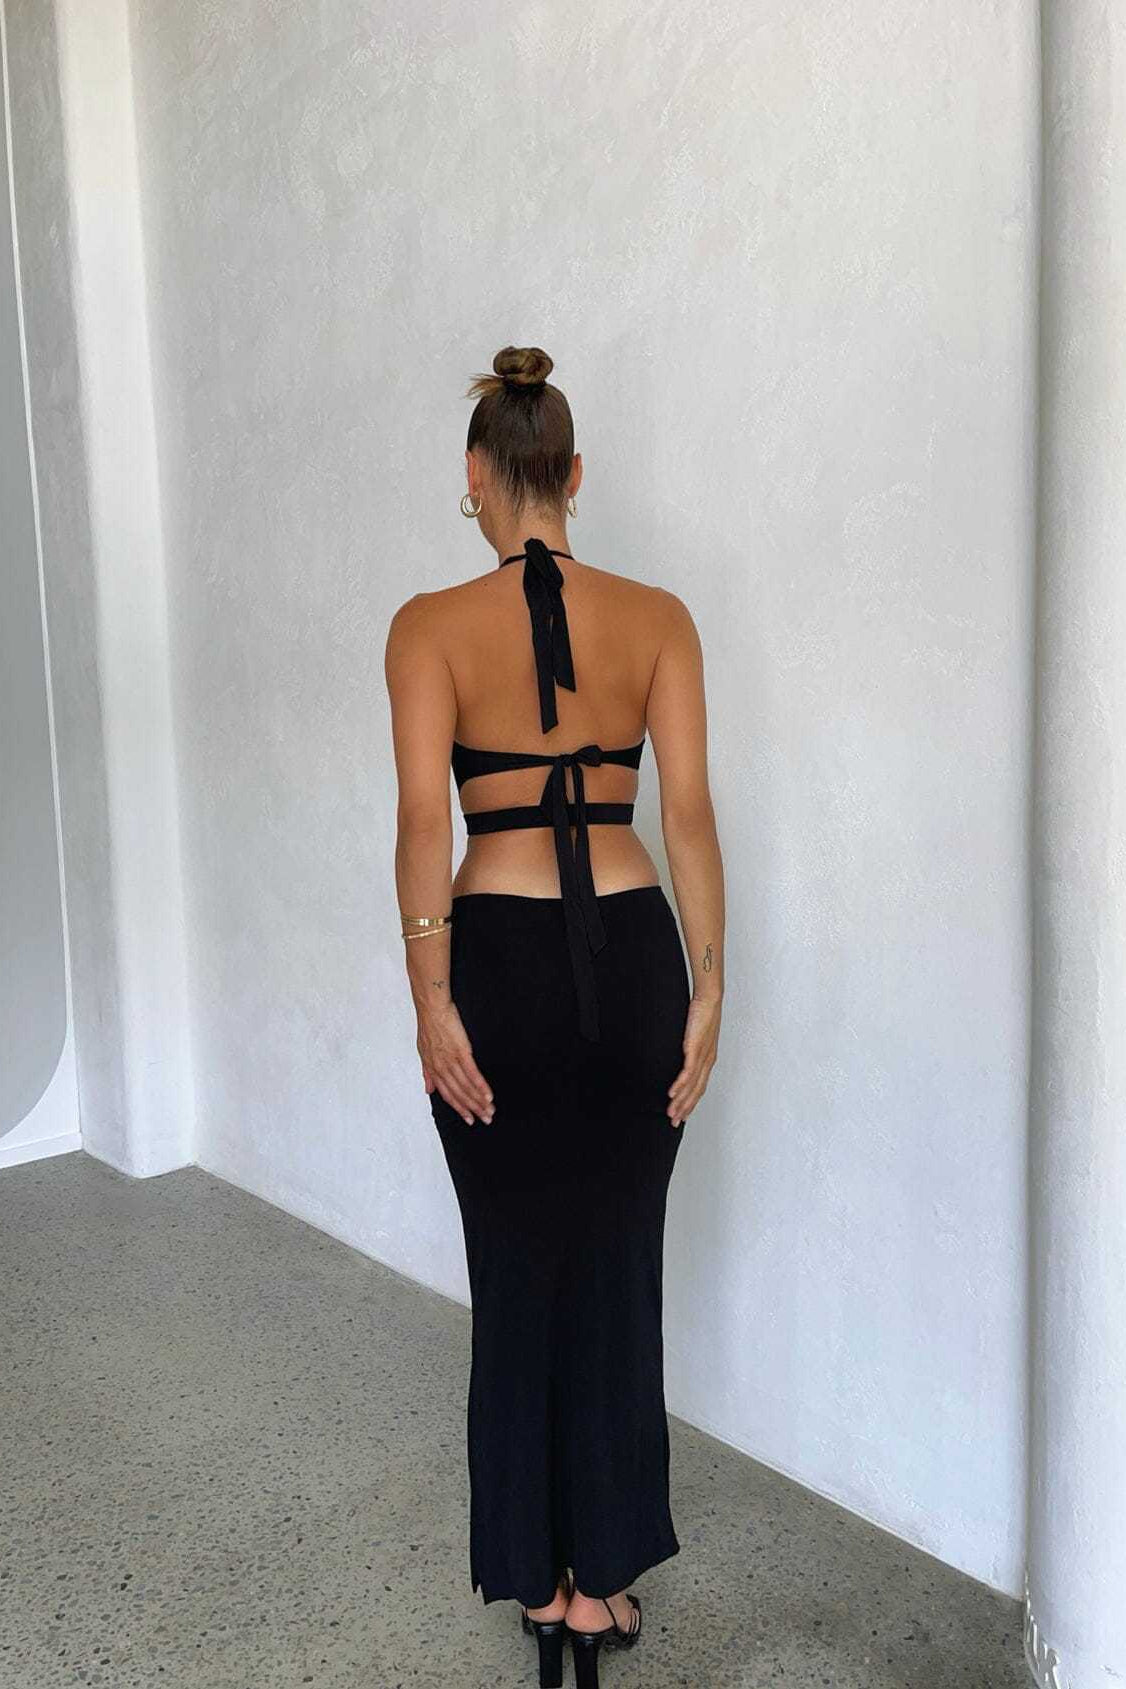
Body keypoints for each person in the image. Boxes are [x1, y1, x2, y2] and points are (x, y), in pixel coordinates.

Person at [384, 345, 725, 1688]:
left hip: (498, 970)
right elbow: (686, 819)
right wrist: (710, 986)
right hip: (635, 961)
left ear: (477, 475)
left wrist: (431, 1000)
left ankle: (537, 1579)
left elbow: (425, 824)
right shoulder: (660, 617)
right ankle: (602, 1587)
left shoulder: (425, 626)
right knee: (618, 1266)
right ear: (574, 475)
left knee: (516, 1269)